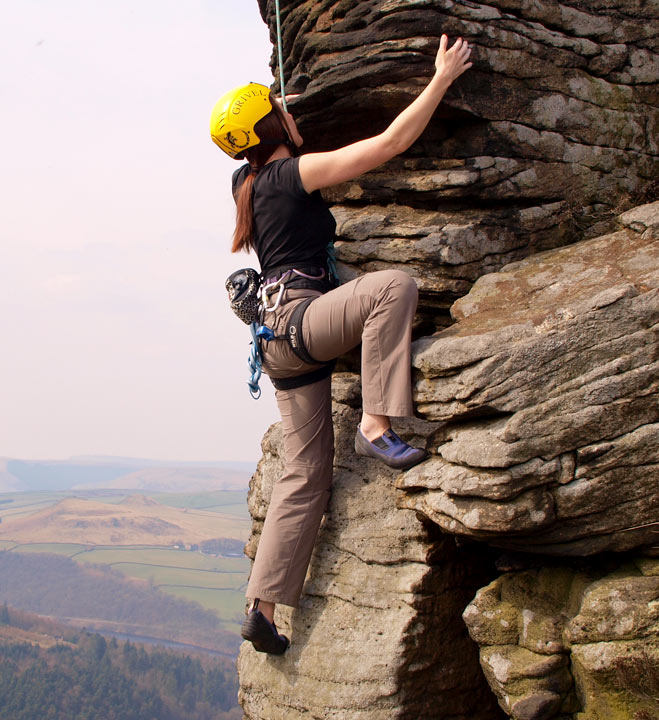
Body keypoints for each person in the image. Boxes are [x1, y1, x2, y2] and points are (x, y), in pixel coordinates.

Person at [210, 35, 473, 655]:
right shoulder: (291, 173)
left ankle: (262, 609)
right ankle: (377, 423)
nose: (292, 115)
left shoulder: (245, 184)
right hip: (307, 320)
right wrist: (439, 79)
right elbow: (389, 145)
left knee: (303, 475)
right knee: (393, 288)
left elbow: (257, 139)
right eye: (283, 113)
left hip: (276, 341)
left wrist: (276, 107)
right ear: (274, 128)